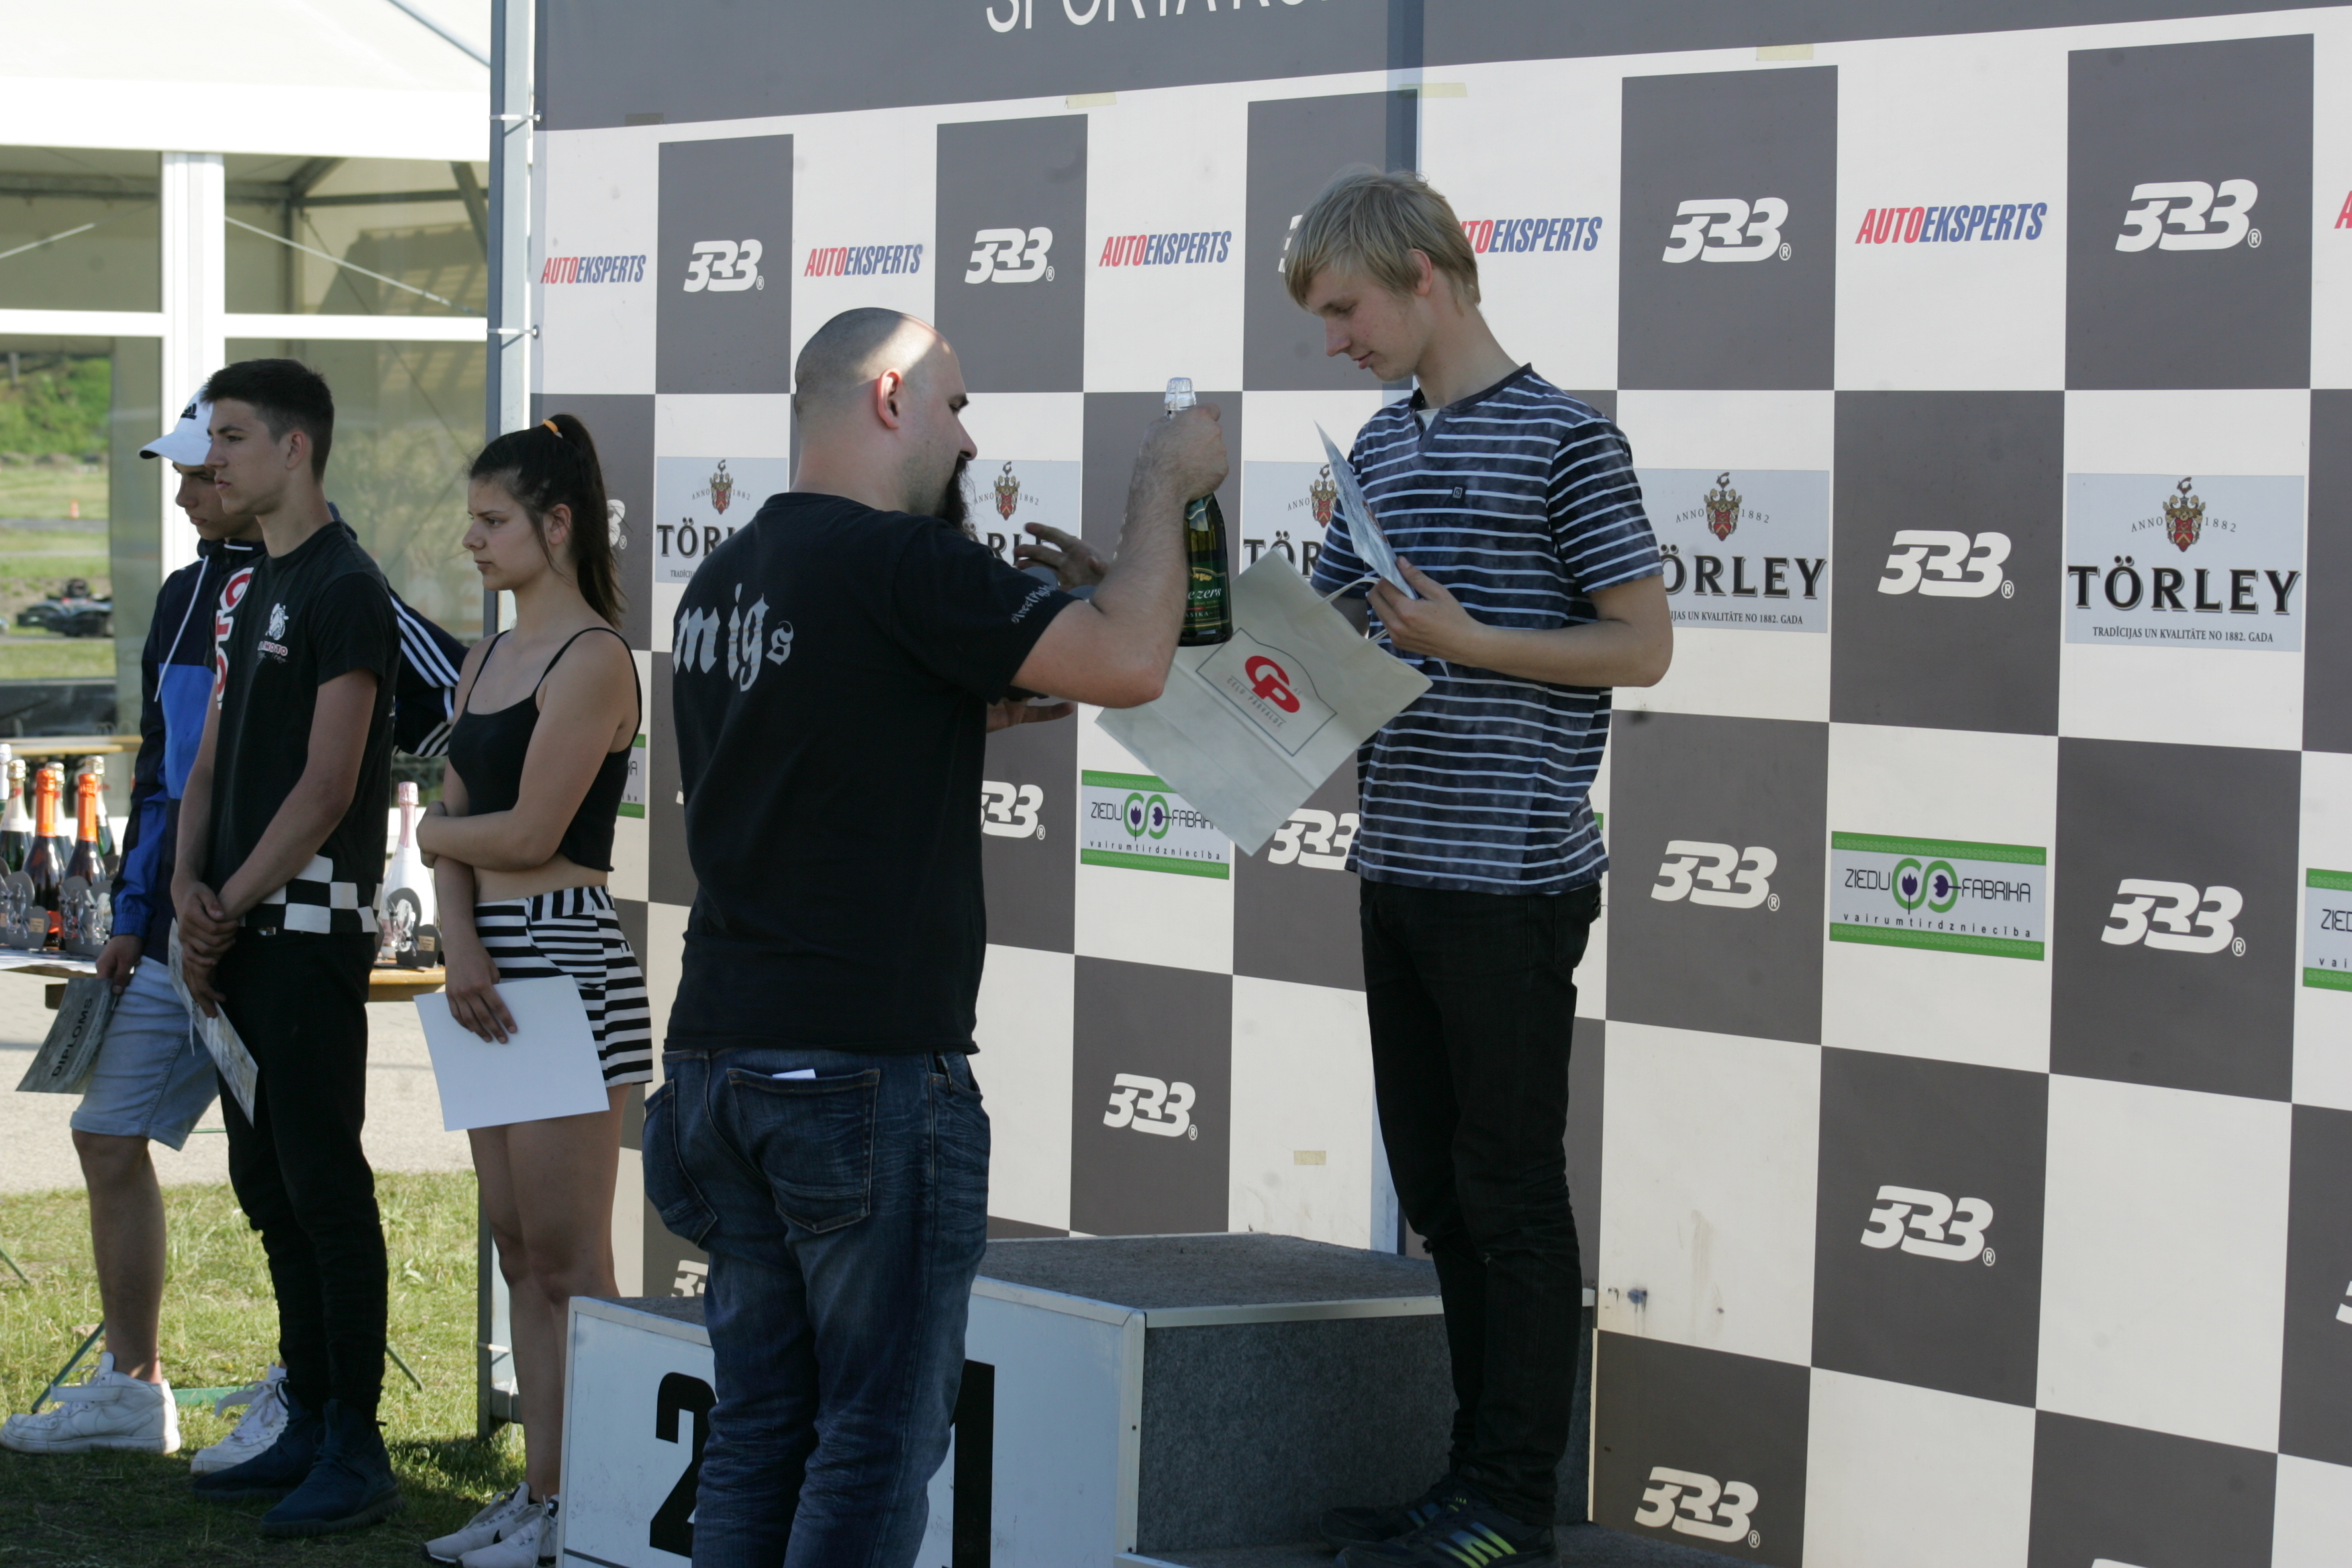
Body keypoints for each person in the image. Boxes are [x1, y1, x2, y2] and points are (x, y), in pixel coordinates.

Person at [641, 307, 1225, 1565]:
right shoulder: (901, 561)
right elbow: (1130, 660)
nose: (967, 439)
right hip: (859, 1073)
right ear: (890, 396)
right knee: (872, 1440)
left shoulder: (727, 575)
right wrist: (1165, 482)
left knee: (759, 1430)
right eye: (955, 406)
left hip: (717, 1064)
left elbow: (846, 724)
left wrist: (978, 692)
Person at [1289, 171, 1672, 1567]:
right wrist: (1149, 601)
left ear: (1424, 275)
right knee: (1442, 1196)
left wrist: (1470, 643)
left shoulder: (1569, 441)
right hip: (1397, 864)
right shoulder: (1378, 446)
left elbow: (1641, 644)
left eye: (1347, 310)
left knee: (1507, 1193)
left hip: (1513, 883)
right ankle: (1470, 1484)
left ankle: (1510, 1504)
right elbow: (1315, 640)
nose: (1338, 342)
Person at [171, 358, 405, 1538]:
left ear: (295, 447)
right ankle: (307, 1414)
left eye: (231, 436)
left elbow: (328, 787)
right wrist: (185, 890)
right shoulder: (247, 580)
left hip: (305, 938)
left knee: (323, 1186)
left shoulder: (347, 587)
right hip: (233, 934)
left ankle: (355, 1444)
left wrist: (227, 902)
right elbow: (213, 758)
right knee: (267, 1186)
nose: (212, 458)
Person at [412, 414, 646, 1568]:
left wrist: (432, 834)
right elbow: (466, 833)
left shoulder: (594, 658)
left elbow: (525, 832)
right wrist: (458, 945)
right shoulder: (482, 658)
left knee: (569, 1258)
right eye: (472, 519)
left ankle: (591, 1511)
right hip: (488, 966)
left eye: (493, 520)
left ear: (557, 526)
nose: (472, 540)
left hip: (561, 956)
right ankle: (542, 1493)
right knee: (515, 1247)